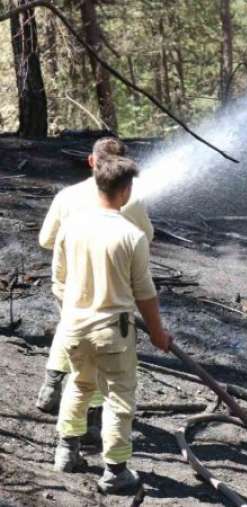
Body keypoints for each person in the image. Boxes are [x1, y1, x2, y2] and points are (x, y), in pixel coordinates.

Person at [52, 155, 172, 494]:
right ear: (126, 190)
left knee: (79, 384)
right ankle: (116, 470)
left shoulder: (71, 226)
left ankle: (66, 452)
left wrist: (73, 311)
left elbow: (57, 281)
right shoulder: (131, 236)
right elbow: (145, 294)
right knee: (119, 398)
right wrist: (159, 334)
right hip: (112, 333)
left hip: (73, 326)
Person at [36, 137, 154, 415]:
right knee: (101, 351)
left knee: (69, 325)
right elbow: (146, 238)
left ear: (91, 161)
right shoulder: (131, 200)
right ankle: (91, 415)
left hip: (68, 282)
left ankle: (51, 385)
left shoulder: (67, 196)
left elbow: (45, 240)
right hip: (108, 287)